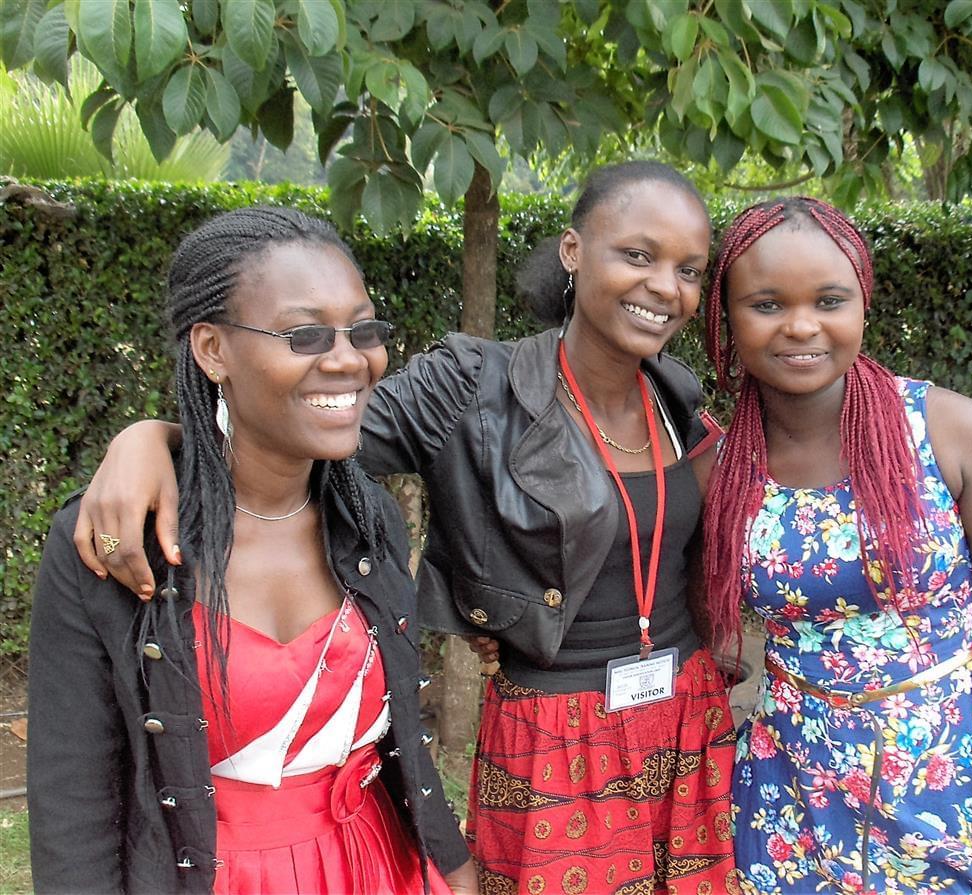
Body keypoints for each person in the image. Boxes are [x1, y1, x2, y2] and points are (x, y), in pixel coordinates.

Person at [68, 163, 739, 895]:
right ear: (573, 251)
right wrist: (153, 437)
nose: (664, 286)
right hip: (557, 737)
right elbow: (302, 423)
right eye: (638, 255)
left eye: (689, 269)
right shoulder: (471, 389)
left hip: (683, 721)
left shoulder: (677, 400)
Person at [27, 208, 477, 894]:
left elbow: (403, 742)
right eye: (305, 333)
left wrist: (452, 866)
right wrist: (148, 441)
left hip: (376, 865)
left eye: (363, 329)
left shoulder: (369, 519)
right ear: (212, 349)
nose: (349, 357)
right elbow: (73, 805)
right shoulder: (117, 540)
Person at [699, 198, 972, 894]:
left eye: (830, 299)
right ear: (727, 319)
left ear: (863, 303)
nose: (802, 326)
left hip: (941, 795)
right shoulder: (720, 470)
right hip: (785, 799)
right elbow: (695, 633)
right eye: (766, 303)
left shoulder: (951, 435)